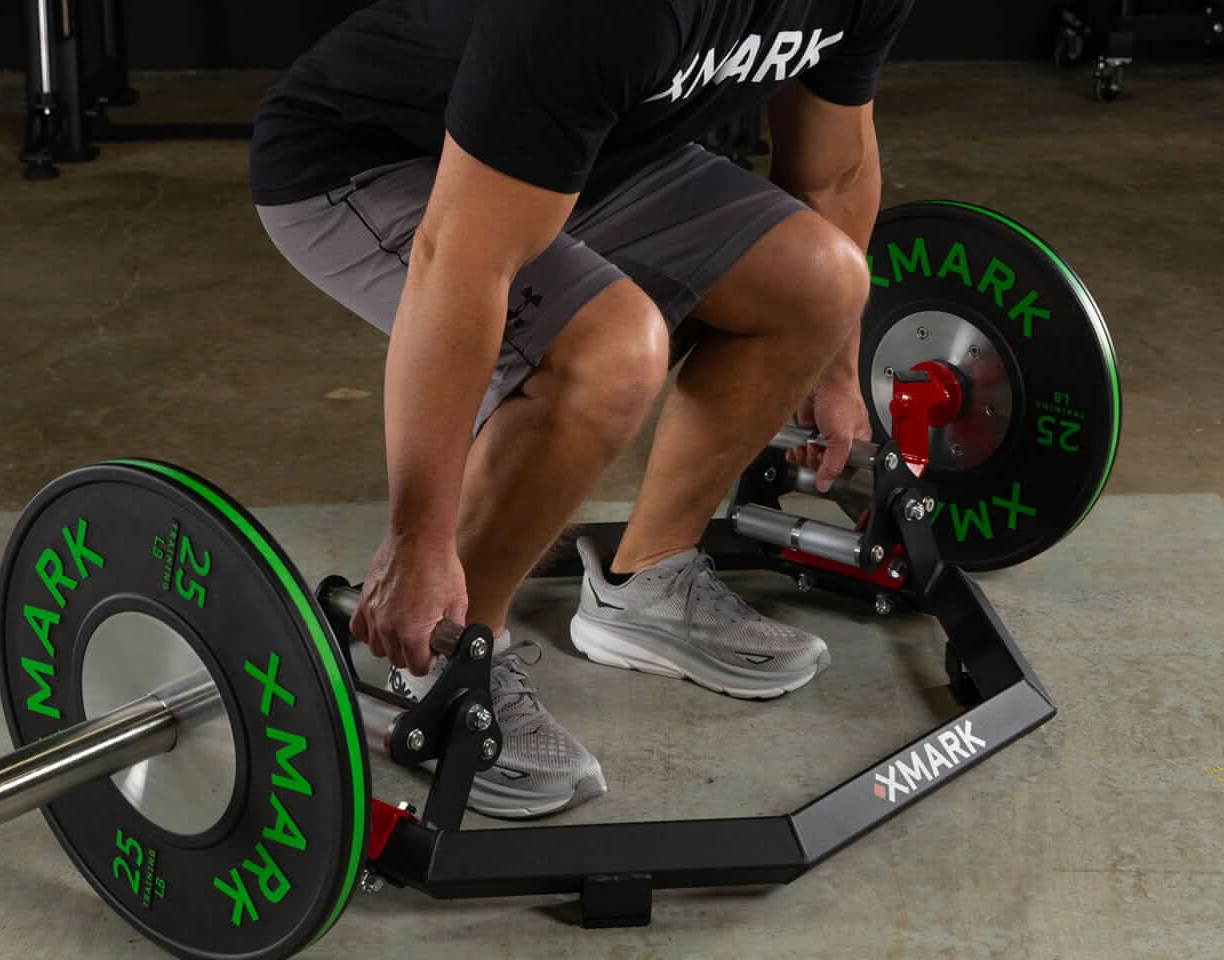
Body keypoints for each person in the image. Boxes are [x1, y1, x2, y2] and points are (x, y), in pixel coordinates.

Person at [251, 0, 914, 819]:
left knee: (826, 280)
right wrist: (416, 537)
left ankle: (648, 587)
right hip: (372, 160)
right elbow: (460, 257)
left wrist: (837, 368)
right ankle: (442, 659)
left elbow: (833, 175)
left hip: (594, 159)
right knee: (611, 350)